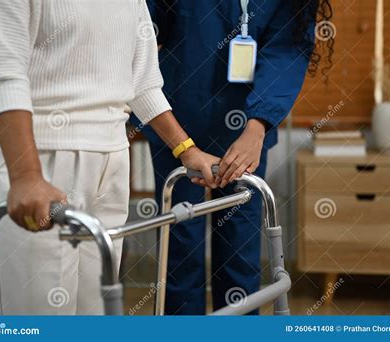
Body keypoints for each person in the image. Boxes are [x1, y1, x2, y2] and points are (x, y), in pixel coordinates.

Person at [0, 0, 221, 315]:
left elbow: (141, 83)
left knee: (96, 311)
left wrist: (187, 149)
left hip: (111, 156)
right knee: (40, 315)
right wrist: (26, 176)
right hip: (39, 156)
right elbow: (5, 75)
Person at [133, 0, 333, 314]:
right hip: (178, 128)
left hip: (246, 135)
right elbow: (138, 29)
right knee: (181, 253)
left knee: (239, 253)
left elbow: (285, 51)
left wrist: (257, 128)